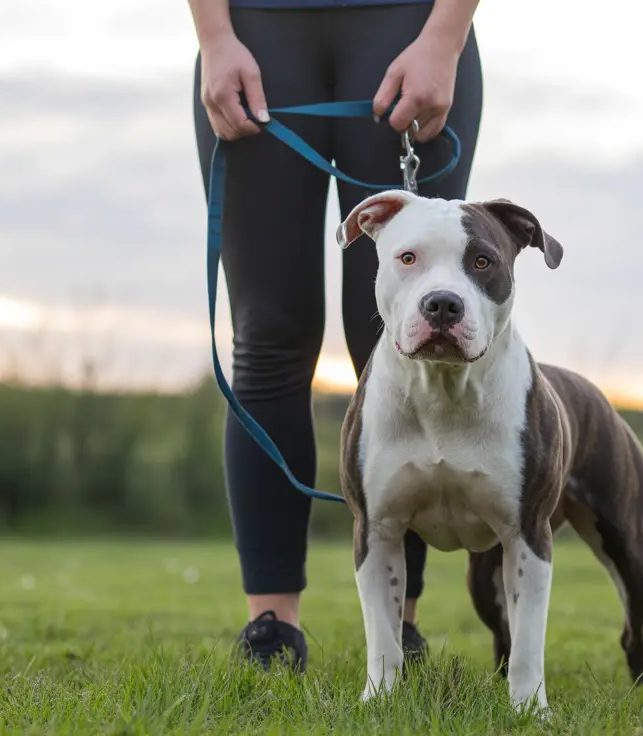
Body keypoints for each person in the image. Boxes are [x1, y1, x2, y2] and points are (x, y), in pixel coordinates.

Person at [187, 0, 483, 671]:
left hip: (407, 29)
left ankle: (398, 626)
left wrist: (446, 35)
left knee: (399, 345)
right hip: (255, 35)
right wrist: (214, 35)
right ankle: (271, 629)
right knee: (268, 334)